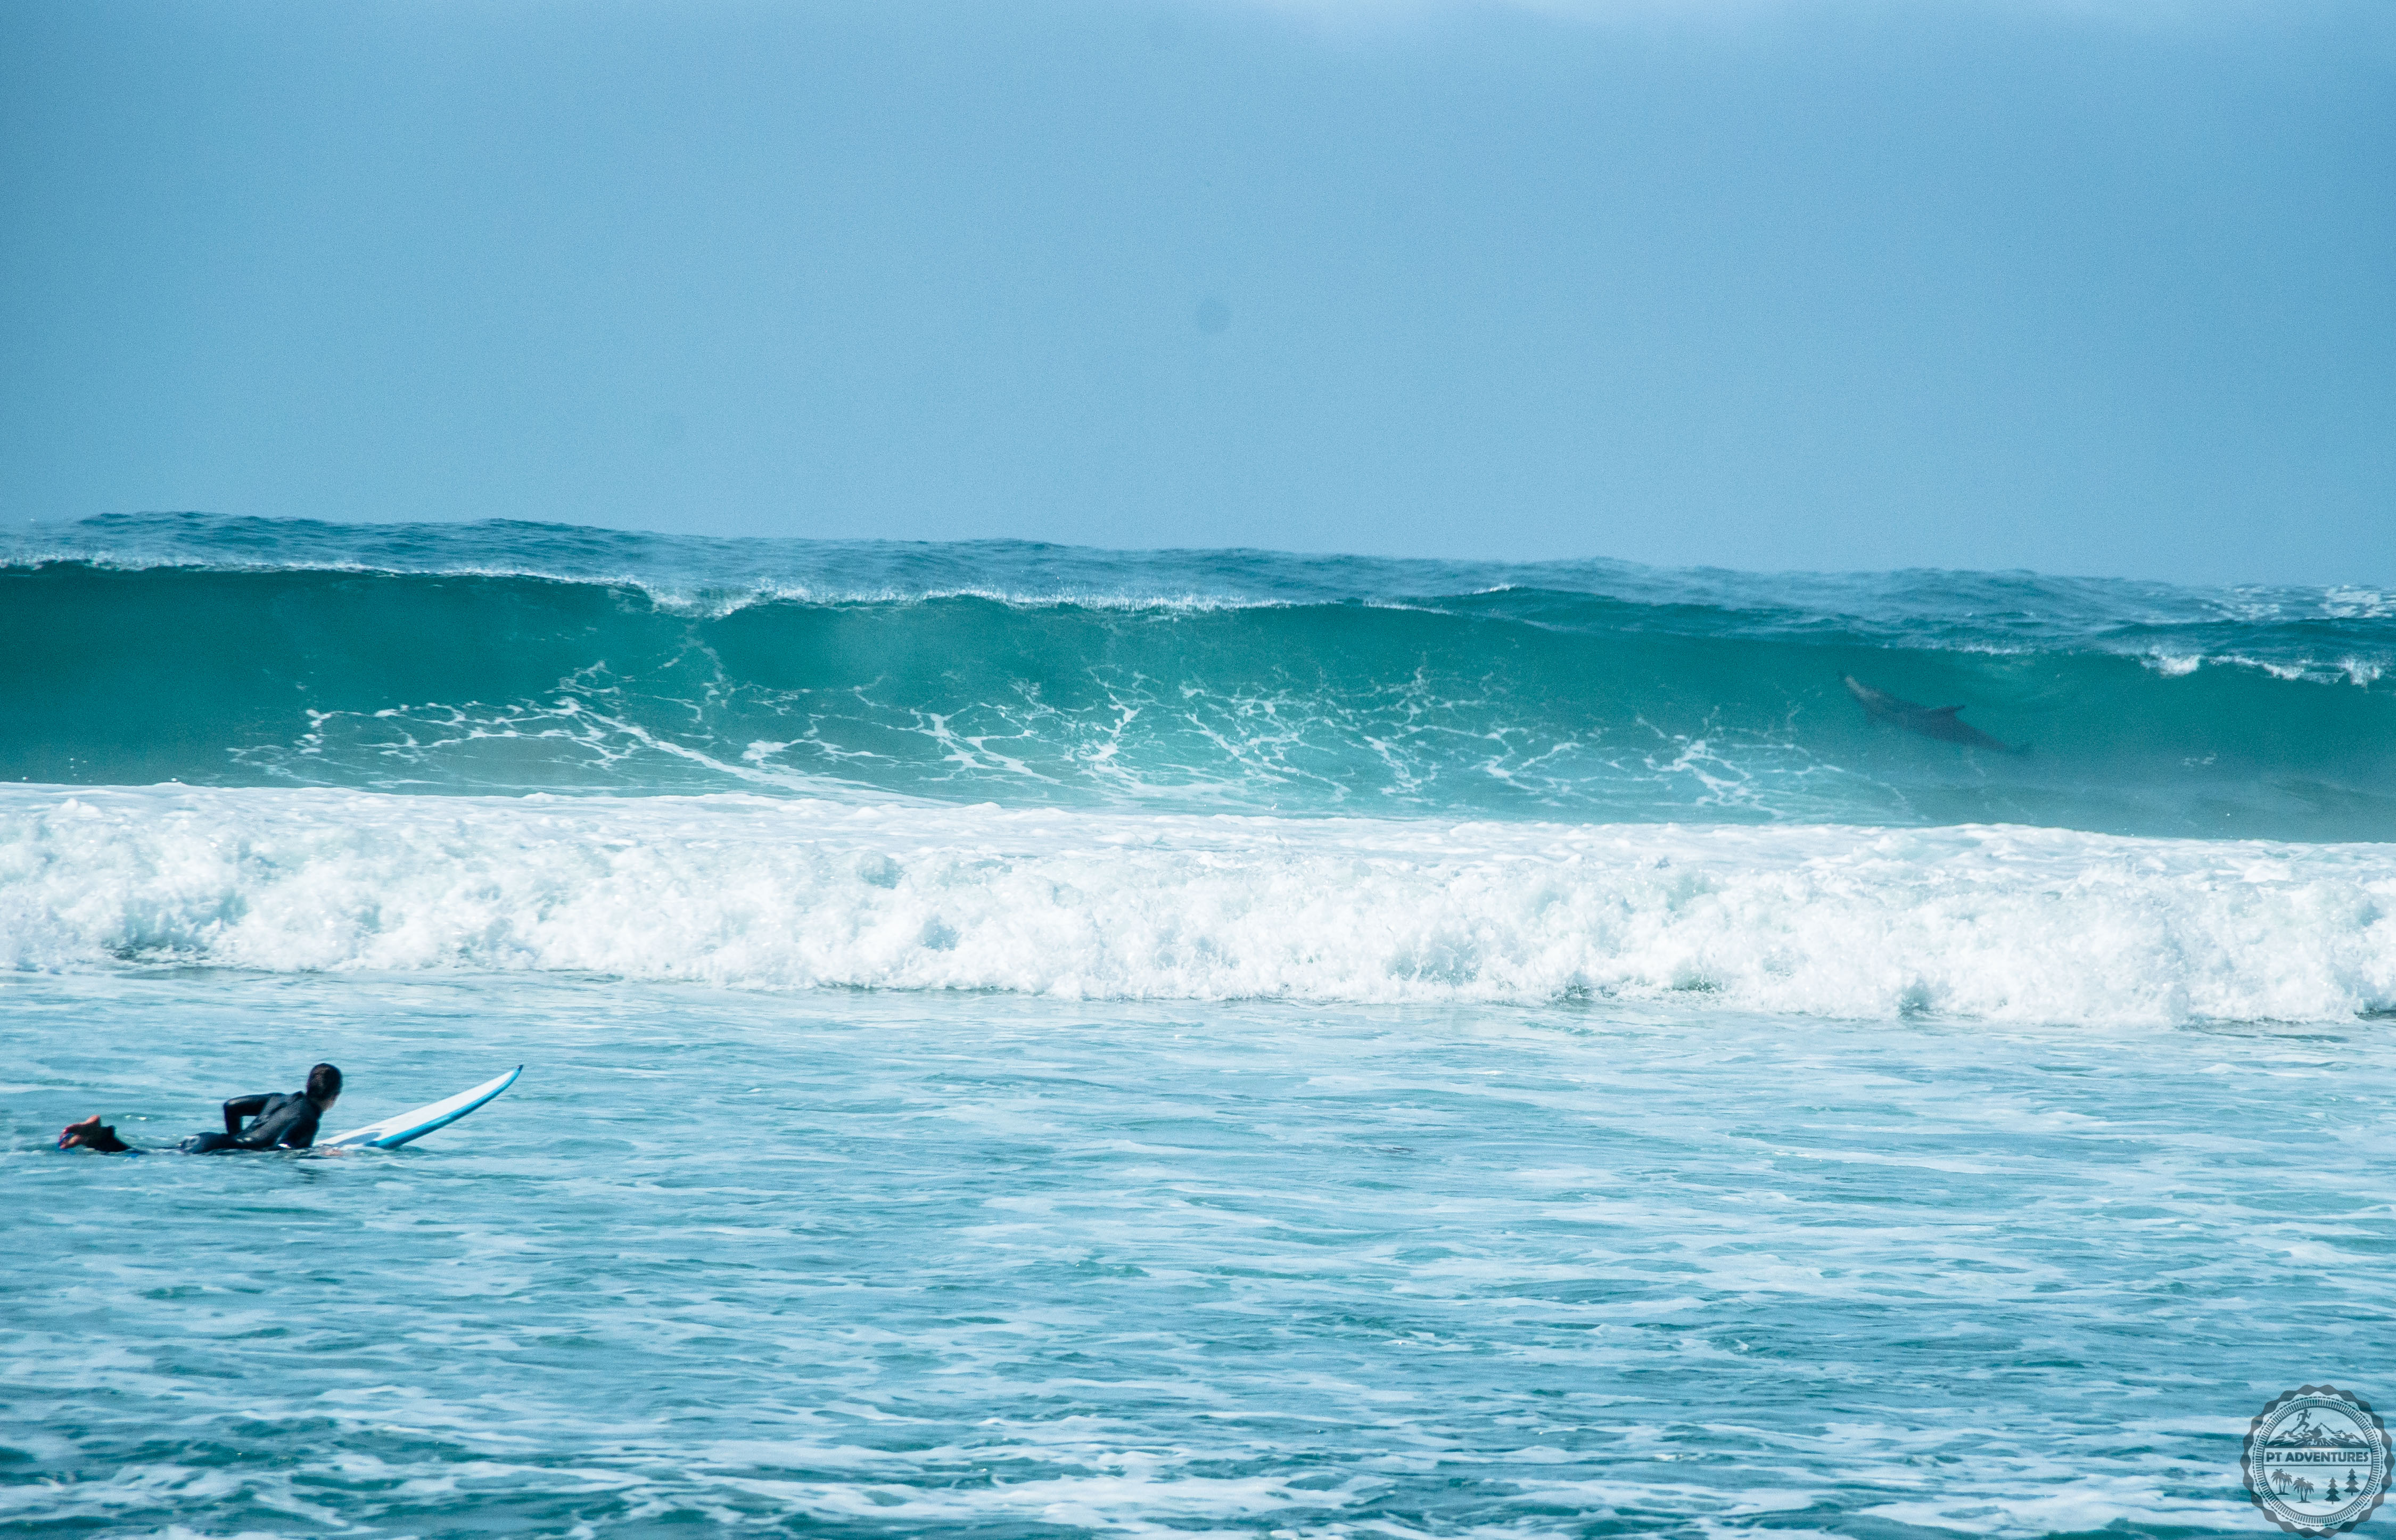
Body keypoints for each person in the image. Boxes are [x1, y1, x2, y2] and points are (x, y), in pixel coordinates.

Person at [58, 1064, 344, 1154]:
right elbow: (284, 1151)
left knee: (148, 1153)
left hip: (207, 1139)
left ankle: (95, 1136)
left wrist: (237, 1139)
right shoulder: (309, 1120)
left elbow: (230, 1106)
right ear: (333, 1097)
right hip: (214, 1149)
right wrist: (318, 1156)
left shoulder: (281, 1099)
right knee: (140, 1156)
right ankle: (97, 1136)